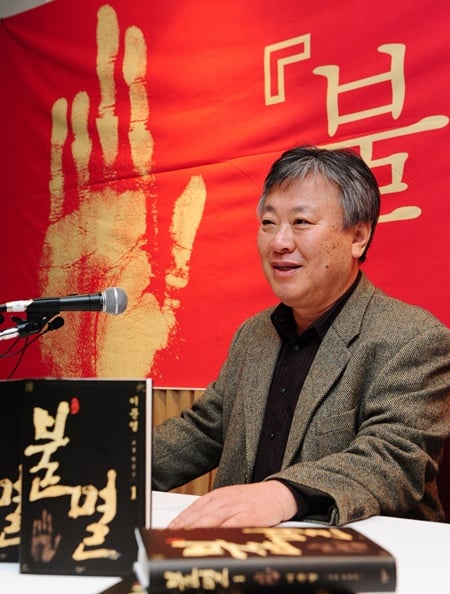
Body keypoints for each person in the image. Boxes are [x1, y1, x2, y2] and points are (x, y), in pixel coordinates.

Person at [152, 145, 450, 528]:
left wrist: (281, 495)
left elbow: (393, 460)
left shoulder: (414, 339)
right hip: (241, 548)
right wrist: (112, 461)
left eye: (301, 222)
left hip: (358, 553)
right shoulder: (253, 334)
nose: (280, 242)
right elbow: (204, 430)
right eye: (268, 222)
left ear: (358, 237)